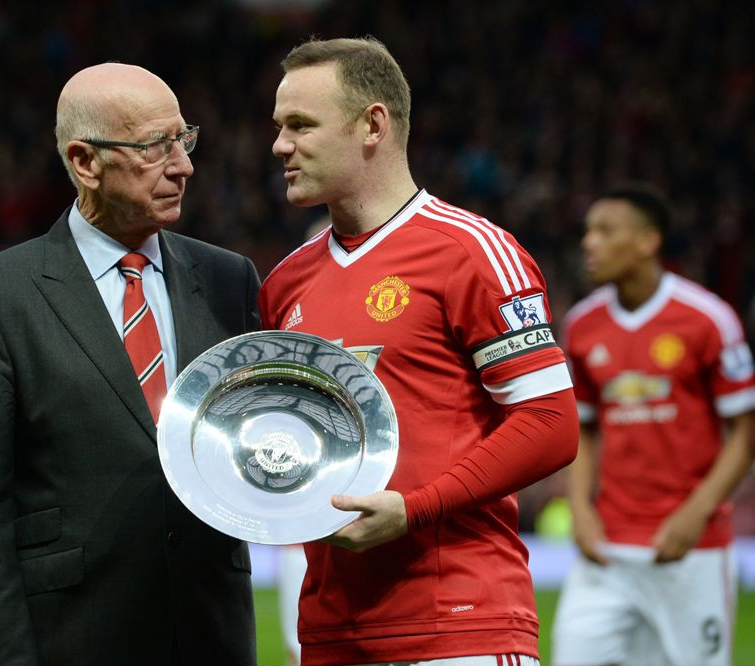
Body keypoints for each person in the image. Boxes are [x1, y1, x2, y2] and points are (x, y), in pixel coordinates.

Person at [259, 37, 579, 665]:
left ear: (372, 124)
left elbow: (550, 423)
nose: (279, 145)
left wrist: (413, 510)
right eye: (278, 126)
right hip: (329, 631)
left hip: (460, 625)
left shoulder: (472, 253)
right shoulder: (283, 284)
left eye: (300, 124)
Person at [0, 62, 260, 665]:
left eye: (184, 139)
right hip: (73, 635)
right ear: (85, 162)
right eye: (154, 147)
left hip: (210, 633)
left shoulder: (227, 278)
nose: (183, 165)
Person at [552, 184, 755, 666]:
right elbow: (585, 428)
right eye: (587, 232)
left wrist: (696, 512)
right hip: (607, 550)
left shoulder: (708, 320)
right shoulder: (582, 325)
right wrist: (579, 508)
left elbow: (746, 430)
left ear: (648, 241)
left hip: (690, 549)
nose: (589, 243)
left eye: (605, 231)